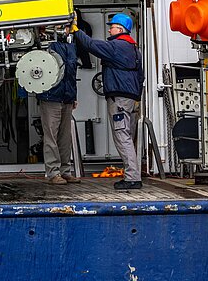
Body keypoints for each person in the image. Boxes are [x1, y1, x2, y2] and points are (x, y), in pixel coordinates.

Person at [72, 13, 145, 190]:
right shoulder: (134, 49)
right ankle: (132, 174)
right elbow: (141, 76)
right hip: (132, 99)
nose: (109, 29)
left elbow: (90, 45)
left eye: (112, 26)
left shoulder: (117, 46)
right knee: (128, 137)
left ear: (120, 29)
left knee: (122, 137)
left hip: (119, 99)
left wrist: (76, 29)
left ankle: (132, 178)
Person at [36, 25, 79, 185]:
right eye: (62, 26)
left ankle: (65, 171)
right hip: (50, 96)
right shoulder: (47, 44)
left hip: (66, 97)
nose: (65, 29)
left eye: (66, 27)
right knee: (51, 137)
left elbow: (72, 74)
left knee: (64, 137)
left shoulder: (71, 46)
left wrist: (74, 96)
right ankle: (53, 172)